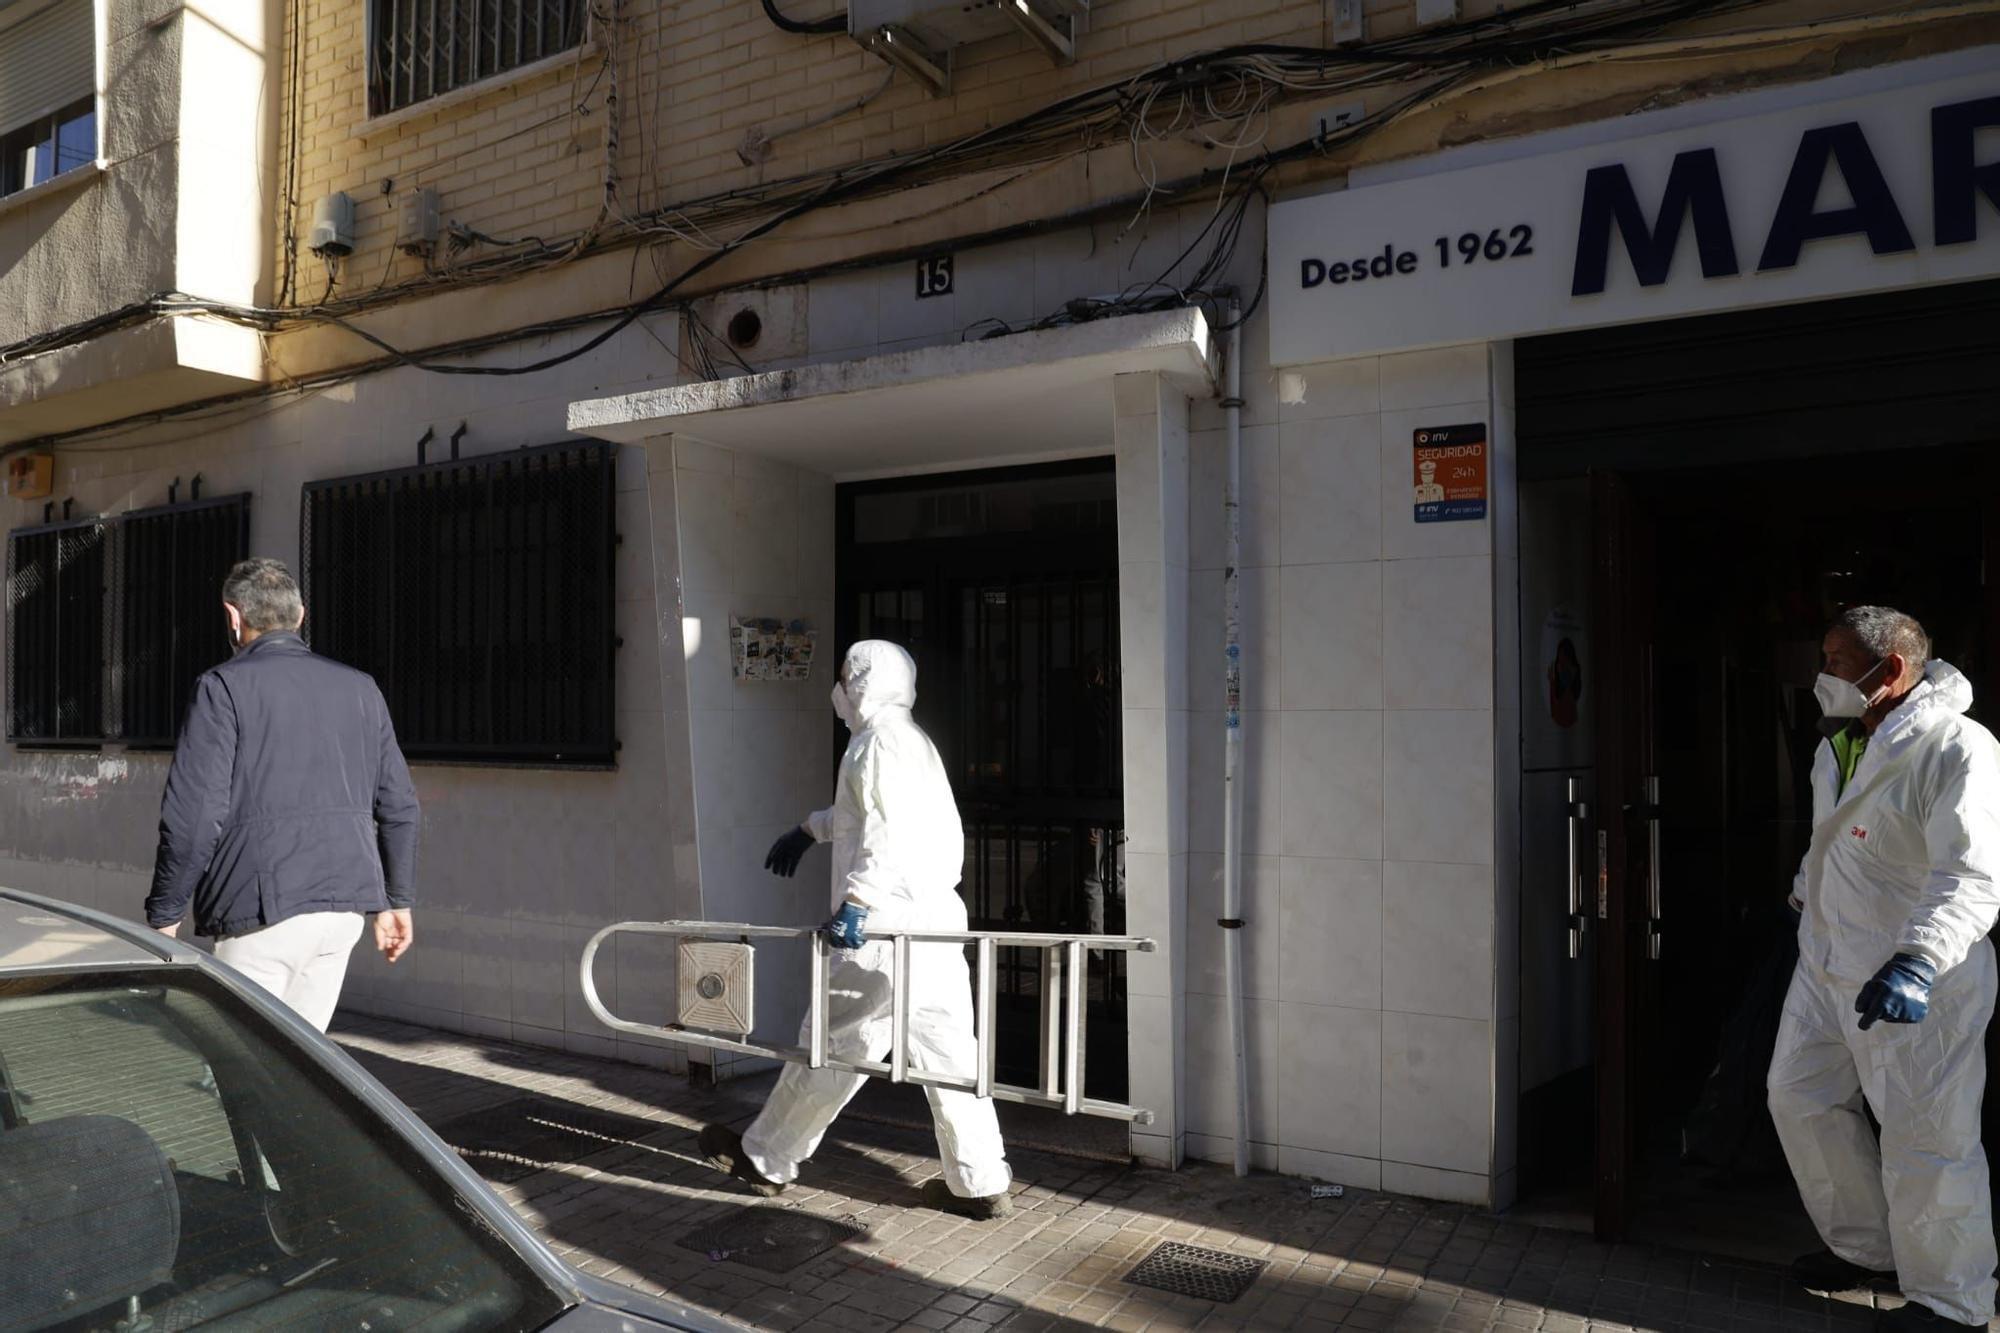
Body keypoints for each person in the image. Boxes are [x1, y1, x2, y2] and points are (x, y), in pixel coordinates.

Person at [698, 640, 1013, 1219]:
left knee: (832, 1045)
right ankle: (980, 1181)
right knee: (950, 1057)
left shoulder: (877, 745)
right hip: (936, 924)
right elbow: (864, 818)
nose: (838, 688)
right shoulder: (911, 741)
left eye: (844, 676)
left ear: (861, 681)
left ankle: (767, 1158)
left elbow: (885, 832)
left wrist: (858, 902)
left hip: (885, 925)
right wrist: (809, 830)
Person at [1767, 606, 2000, 1329]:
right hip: (1827, 966)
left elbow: (1971, 876)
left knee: (1927, 1135)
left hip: (1913, 978)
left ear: (1890, 669)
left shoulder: (1956, 748)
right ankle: (1870, 1249)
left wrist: (1920, 960)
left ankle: (1952, 1300)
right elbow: (1833, 839)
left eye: (1834, 662)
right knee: (1799, 1097)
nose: (1821, 676)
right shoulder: (1838, 747)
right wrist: (1807, 890)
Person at [144, 557, 419, 1032]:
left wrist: (165, 913)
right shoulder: (361, 688)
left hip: (260, 912)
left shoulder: (222, 687)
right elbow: (398, 806)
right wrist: (396, 901)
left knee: (242, 1067)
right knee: (300, 1069)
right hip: (343, 912)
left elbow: (194, 815)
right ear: (301, 615)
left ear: (234, 617)